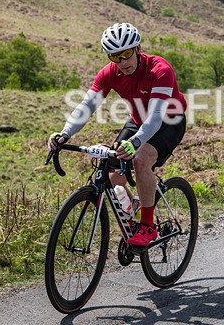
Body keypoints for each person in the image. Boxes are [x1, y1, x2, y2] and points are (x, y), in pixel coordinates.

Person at [47, 22, 188, 247]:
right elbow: (87, 106)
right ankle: (131, 205)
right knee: (110, 159)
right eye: (115, 57)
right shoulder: (110, 73)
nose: (123, 62)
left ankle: (148, 226)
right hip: (138, 119)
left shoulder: (160, 70)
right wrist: (64, 134)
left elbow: (154, 119)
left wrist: (135, 142)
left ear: (138, 49)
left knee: (141, 159)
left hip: (168, 120)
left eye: (126, 54)